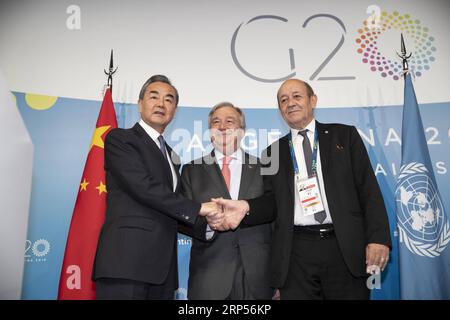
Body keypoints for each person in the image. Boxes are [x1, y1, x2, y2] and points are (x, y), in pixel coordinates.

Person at [213, 79, 391, 300]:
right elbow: (271, 204)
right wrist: (245, 207)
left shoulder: (344, 136)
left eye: (296, 96)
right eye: (283, 100)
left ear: (312, 100)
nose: (290, 103)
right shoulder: (272, 152)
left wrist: (379, 238)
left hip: (344, 247)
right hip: (296, 253)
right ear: (280, 110)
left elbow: (369, 190)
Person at [92, 75, 220, 300]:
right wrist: (199, 207)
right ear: (140, 104)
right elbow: (143, 188)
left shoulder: (172, 156)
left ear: (174, 110)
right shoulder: (121, 139)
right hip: (126, 263)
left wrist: (207, 227)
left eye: (169, 100)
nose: (161, 104)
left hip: (162, 270)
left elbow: (171, 207)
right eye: (154, 97)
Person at [180, 102, 273, 300]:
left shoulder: (264, 167)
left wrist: (280, 279)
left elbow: (275, 215)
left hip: (258, 278)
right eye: (216, 122)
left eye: (229, 122)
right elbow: (182, 216)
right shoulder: (191, 170)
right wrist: (209, 225)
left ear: (242, 131)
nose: (222, 127)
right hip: (209, 277)